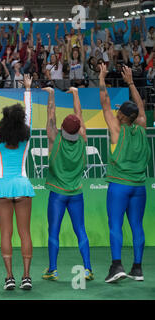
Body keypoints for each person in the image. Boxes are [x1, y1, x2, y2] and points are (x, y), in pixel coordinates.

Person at [98, 64, 151, 283]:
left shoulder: (116, 129)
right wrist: (130, 82)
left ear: (122, 116)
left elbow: (105, 102)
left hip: (119, 185)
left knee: (115, 225)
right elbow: (139, 107)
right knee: (137, 226)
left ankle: (116, 265)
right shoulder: (142, 127)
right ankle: (137, 268)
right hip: (139, 186)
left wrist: (101, 77)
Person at [0, 74, 34, 290]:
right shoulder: (26, 133)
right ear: (21, 119)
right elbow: (29, 113)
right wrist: (28, 89)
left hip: (3, 186)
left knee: (6, 233)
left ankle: (10, 277)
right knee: (25, 233)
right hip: (22, 185)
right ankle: (26, 276)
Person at [41, 86, 94, 282]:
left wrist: (52, 94)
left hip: (57, 193)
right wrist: (77, 94)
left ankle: (53, 269)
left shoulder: (54, 138)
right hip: (76, 193)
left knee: (53, 230)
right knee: (80, 229)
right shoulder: (82, 139)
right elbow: (78, 114)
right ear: (79, 128)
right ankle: (87, 268)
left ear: (62, 128)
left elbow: (51, 113)